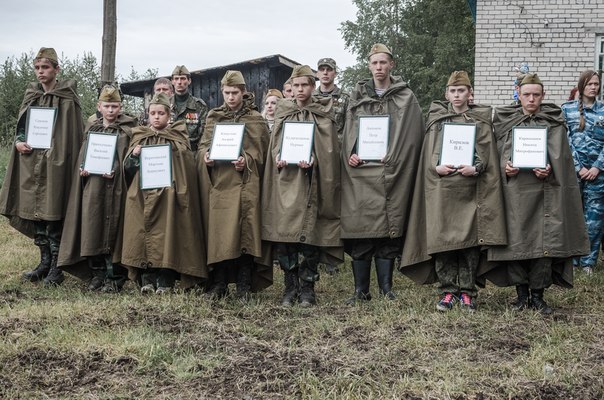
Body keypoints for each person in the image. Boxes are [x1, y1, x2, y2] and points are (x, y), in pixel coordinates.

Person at [478, 73, 589, 314]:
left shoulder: (553, 122)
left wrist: (549, 170)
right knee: (517, 243)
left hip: (545, 195)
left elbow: (563, 160)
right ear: (518, 93)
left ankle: (538, 296)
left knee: (543, 244)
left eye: (536, 95)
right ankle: (521, 295)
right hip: (514, 195)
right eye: (526, 94)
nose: (531, 99)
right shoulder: (505, 121)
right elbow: (494, 155)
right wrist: (505, 166)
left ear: (543, 96)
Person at [400, 71, 507, 312]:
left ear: (470, 93)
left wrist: (476, 167)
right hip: (443, 190)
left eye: (462, 91)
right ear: (446, 94)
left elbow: (488, 155)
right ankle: (448, 291)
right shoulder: (437, 121)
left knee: (468, 244)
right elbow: (428, 154)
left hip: (471, 192)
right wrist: (435, 166)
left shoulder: (481, 121)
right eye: (453, 91)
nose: (457, 95)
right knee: (443, 241)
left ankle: (468, 292)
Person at [340, 43, 424, 304]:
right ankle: (360, 291)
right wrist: (350, 152)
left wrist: (397, 154)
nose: (379, 67)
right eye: (374, 63)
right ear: (369, 65)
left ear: (391, 65)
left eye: (383, 63)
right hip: (361, 173)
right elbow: (343, 131)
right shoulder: (355, 97)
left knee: (388, 231)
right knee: (362, 229)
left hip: (393, 172)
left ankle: (387, 289)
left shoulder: (405, 97)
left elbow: (413, 133)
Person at [0, 47, 84, 286]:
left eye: (45, 67)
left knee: (53, 211)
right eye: (37, 68)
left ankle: (57, 268)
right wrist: (18, 142)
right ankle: (44, 262)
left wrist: (57, 153)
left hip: (56, 165)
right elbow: (22, 127)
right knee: (36, 214)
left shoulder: (67, 98)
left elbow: (71, 135)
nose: (40, 72)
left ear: (56, 69)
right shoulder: (31, 95)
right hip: (31, 162)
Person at [261, 65, 343, 307]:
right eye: (295, 85)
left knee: (309, 236)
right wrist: (278, 157)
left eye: (304, 85)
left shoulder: (323, 113)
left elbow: (330, 149)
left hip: (312, 183)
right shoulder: (283, 112)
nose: (299, 89)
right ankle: (289, 287)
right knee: (287, 237)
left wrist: (317, 160)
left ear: (313, 86)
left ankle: (308, 288)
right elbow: (275, 145)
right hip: (286, 182)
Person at [121, 92, 208, 294]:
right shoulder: (139, 136)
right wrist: (134, 155)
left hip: (169, 196)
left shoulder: (177, 136)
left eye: (161, 113)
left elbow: (185, 163)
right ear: (148, 115)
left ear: (169, 115)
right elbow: (127, 168)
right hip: (143, 196)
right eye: (153, 113)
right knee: (143, 234)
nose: (157, 117)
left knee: (168, 236)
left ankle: (165, 280)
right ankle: (147, 280)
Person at [198, 70, 271, 300]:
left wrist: (247, 160)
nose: (231, 97)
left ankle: (244, 284)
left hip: (246, 184)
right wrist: (206, 157)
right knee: (220, 233)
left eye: (235, 92)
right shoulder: (213, 117)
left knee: (245, 232)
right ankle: (219, 283)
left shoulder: (255, 119)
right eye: (227, 93)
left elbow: (264, 154)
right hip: (220, 184)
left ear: (243, 92)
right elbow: (202, 146)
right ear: (222, 92)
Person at [58, 86, 137, 292]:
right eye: (107, 106)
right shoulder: (92, 128)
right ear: (98, 107)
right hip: (94, 187)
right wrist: (83, 168)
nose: (111, 110)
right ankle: (98, 273)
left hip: (117, 188)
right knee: (93, 226)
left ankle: (115, 276)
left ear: (120, 107)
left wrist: (117, 171)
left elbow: (130, 161)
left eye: (115, 106)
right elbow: (84, 154)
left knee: (114, 229)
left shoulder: (127, 130)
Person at [562, 70, 604, 275]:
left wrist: (597, 167)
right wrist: (580, 168)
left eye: (596, 84)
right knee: (573, 217)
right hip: (574, 173)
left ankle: (588, 262)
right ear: (581, 86)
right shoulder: (567, 109)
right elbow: (565, 140)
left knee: (594, 220)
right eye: (589, 84)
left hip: (599, 174)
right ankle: (573, 259)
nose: (594, 87)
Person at [171, 65, 208, 152]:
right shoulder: (165, 105)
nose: (179, 82)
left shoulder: (199, 105)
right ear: (172, 81)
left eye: (183, 78)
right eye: (176, 79)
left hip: (192, 152)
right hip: (170, 152)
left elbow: (204, 133)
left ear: (189, 81)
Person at [314, 57, 350, 140]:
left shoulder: (345, 98)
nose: (325, 73)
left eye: (329, 70)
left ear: (335, 74)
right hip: (316, 148)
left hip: (337, 148)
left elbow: (349, 128)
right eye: (322, 70)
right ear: (317, 74)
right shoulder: (311, 98)